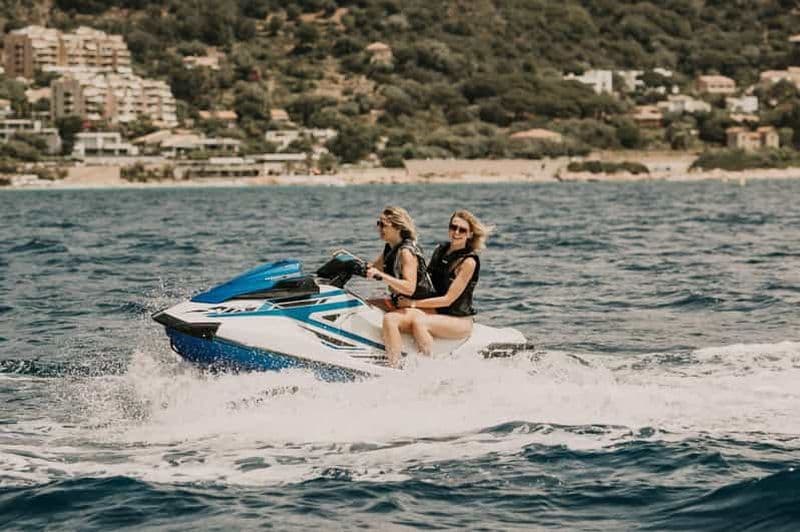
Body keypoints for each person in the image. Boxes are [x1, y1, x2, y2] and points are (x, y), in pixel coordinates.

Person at [396, 209, 489, 356]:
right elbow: (427, 283)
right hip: (438, 312)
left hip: (459, 320)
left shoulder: (468, 262)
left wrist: (412, 304)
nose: (456, 232)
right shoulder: (440, 250)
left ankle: (428, 364)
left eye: (462, 230)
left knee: (420, 323)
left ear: (470, 234)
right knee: (396, 312)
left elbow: (448, 300)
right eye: (453, 227)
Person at [365, 206, 434, 366]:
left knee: (390, 320)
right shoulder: (390, 247)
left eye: (383, 225)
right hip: (400, 302)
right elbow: (373, 268)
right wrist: (348, 264)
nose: (379, 228)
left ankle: (395, 365)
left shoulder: (406, 252)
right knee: (365, 303)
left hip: (421, 306)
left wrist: (382, 276)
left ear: (397, 227)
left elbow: (409, 287)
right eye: (378, 223)